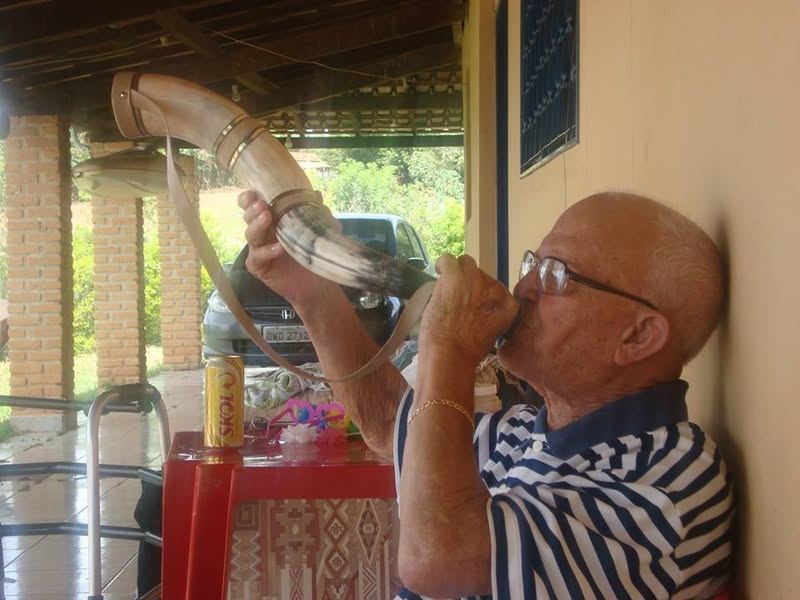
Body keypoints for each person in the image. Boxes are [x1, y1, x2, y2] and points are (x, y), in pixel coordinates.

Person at [239, 190, 732, 599]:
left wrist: (448, 346)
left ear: (638, 336)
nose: (522, 288)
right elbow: (389, 422)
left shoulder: (664, 486)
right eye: (533, 263)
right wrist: (312, 292)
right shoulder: (527, 433)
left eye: (557, 274)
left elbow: (437, 559)